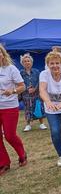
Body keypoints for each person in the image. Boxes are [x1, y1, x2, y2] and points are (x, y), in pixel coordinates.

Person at [0, 44, 27, 176]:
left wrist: (13, 91)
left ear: (3, 54)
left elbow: (22, 86)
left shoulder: (11, 69)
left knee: (9, 135)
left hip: (9, 106)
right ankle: (4, 163)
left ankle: (22, 154)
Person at [19, 53, 47, 132]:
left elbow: (40, 81)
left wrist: (35, 88)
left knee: (38, 107)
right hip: (26, 95)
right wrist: (26, 88)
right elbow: (19, 83)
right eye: (25, 61)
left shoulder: (36, 71)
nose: (27, 63)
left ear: (31, 62)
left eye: (28, 61)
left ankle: (41, 123)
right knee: (27, 109)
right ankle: (28, 125)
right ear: (22, 63)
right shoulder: (21, 73)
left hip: (36, 94)